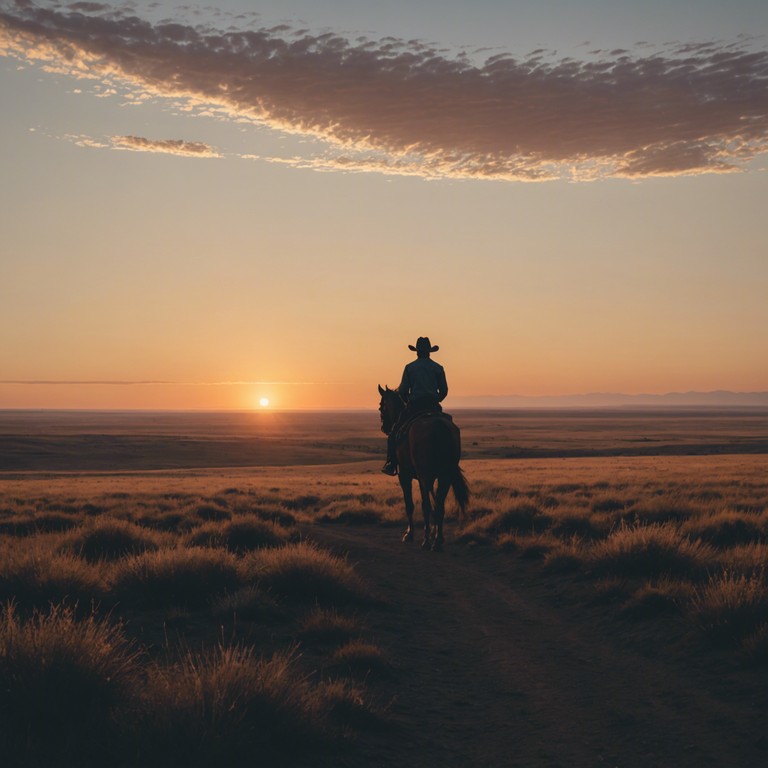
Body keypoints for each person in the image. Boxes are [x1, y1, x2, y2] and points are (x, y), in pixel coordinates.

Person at [382, 337, 448, 475]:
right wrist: (436, 400)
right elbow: (444, 391)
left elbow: (403, 391)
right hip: (434, 407)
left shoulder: (410, 368)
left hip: (415, 407)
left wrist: (408, 401)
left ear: (417, 352)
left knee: (394, 433)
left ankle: (391, 463)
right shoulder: (438, 368)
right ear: (429, 352)